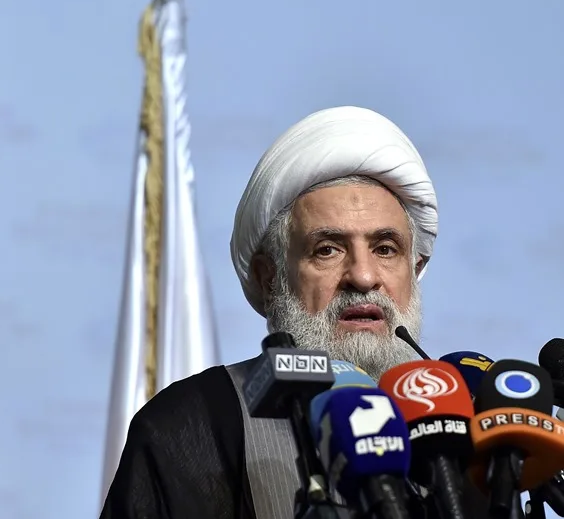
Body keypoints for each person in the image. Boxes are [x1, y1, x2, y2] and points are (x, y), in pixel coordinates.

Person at [99, 106, 484, 519]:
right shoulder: (194, 423)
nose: (363, 276)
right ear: (270, 279)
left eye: (385, 249)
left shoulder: (463, 430)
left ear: (416, 269)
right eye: (328, 249)